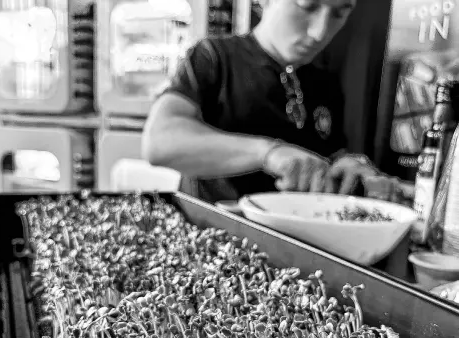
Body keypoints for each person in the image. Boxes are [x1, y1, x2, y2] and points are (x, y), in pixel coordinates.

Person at [142, 0, 378, 204]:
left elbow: (331, 153)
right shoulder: (214, 57)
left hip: (300, 238)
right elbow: (160, 142)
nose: (320, 32)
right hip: (216, 234)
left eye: (339, 13)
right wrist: (268, 153)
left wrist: (350, 167)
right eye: (307, 6)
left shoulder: (326, 81)